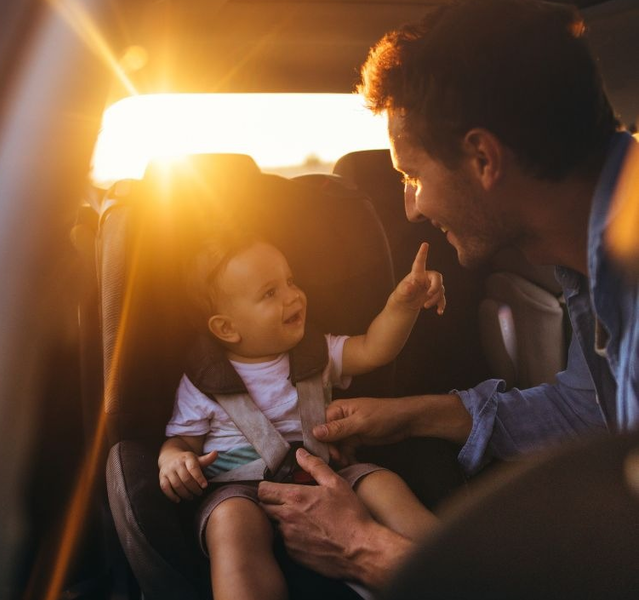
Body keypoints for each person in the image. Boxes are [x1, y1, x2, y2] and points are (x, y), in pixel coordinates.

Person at [258, 0, 639, 592]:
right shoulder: (597, 259)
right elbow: (592, 413)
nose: (411, 207)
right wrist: (415, 415)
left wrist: (367, 550)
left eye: (412, 175)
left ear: (483, 158)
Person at [158, 233, 444, 600]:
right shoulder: (204, 381)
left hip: (327, 473)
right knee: (231, 525)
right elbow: (183, 441)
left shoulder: (316, 352)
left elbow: (374, 348)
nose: (293, 296)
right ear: (227, 328)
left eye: (290, 282)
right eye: (269, 293)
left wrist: (403, 305)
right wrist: (173, 459)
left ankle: (447, 560)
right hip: (240, 489)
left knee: (383, 484)